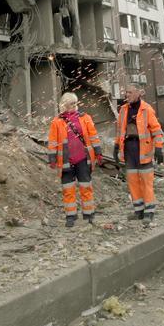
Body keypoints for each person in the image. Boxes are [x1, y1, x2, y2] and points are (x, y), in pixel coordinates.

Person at [47, 92, 103, 226]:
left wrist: (98, 152)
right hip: (66, 161)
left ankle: (89, 214)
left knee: (85, 187)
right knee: (68, 189)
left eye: (75, 103)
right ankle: (70, 216)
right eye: (72, 103)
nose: (75, 106)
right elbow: (53, 141)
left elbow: (93, 136)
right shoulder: (57, 121)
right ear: (64, 105)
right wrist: (52, 158)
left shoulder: (85, 118)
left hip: (83, 159)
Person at [114, 84, 164, 224]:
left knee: (146, 181)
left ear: (138, 93)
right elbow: (119, 130)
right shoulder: (123, 110)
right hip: (129, 149)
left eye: (129, 92)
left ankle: (149, 211)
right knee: (132, 181)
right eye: (126, 92)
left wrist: (159, 148)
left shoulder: (146, 109)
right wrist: (116, 145)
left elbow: (156, 130)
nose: (126, 95)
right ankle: (139, 211)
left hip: (143, 149)